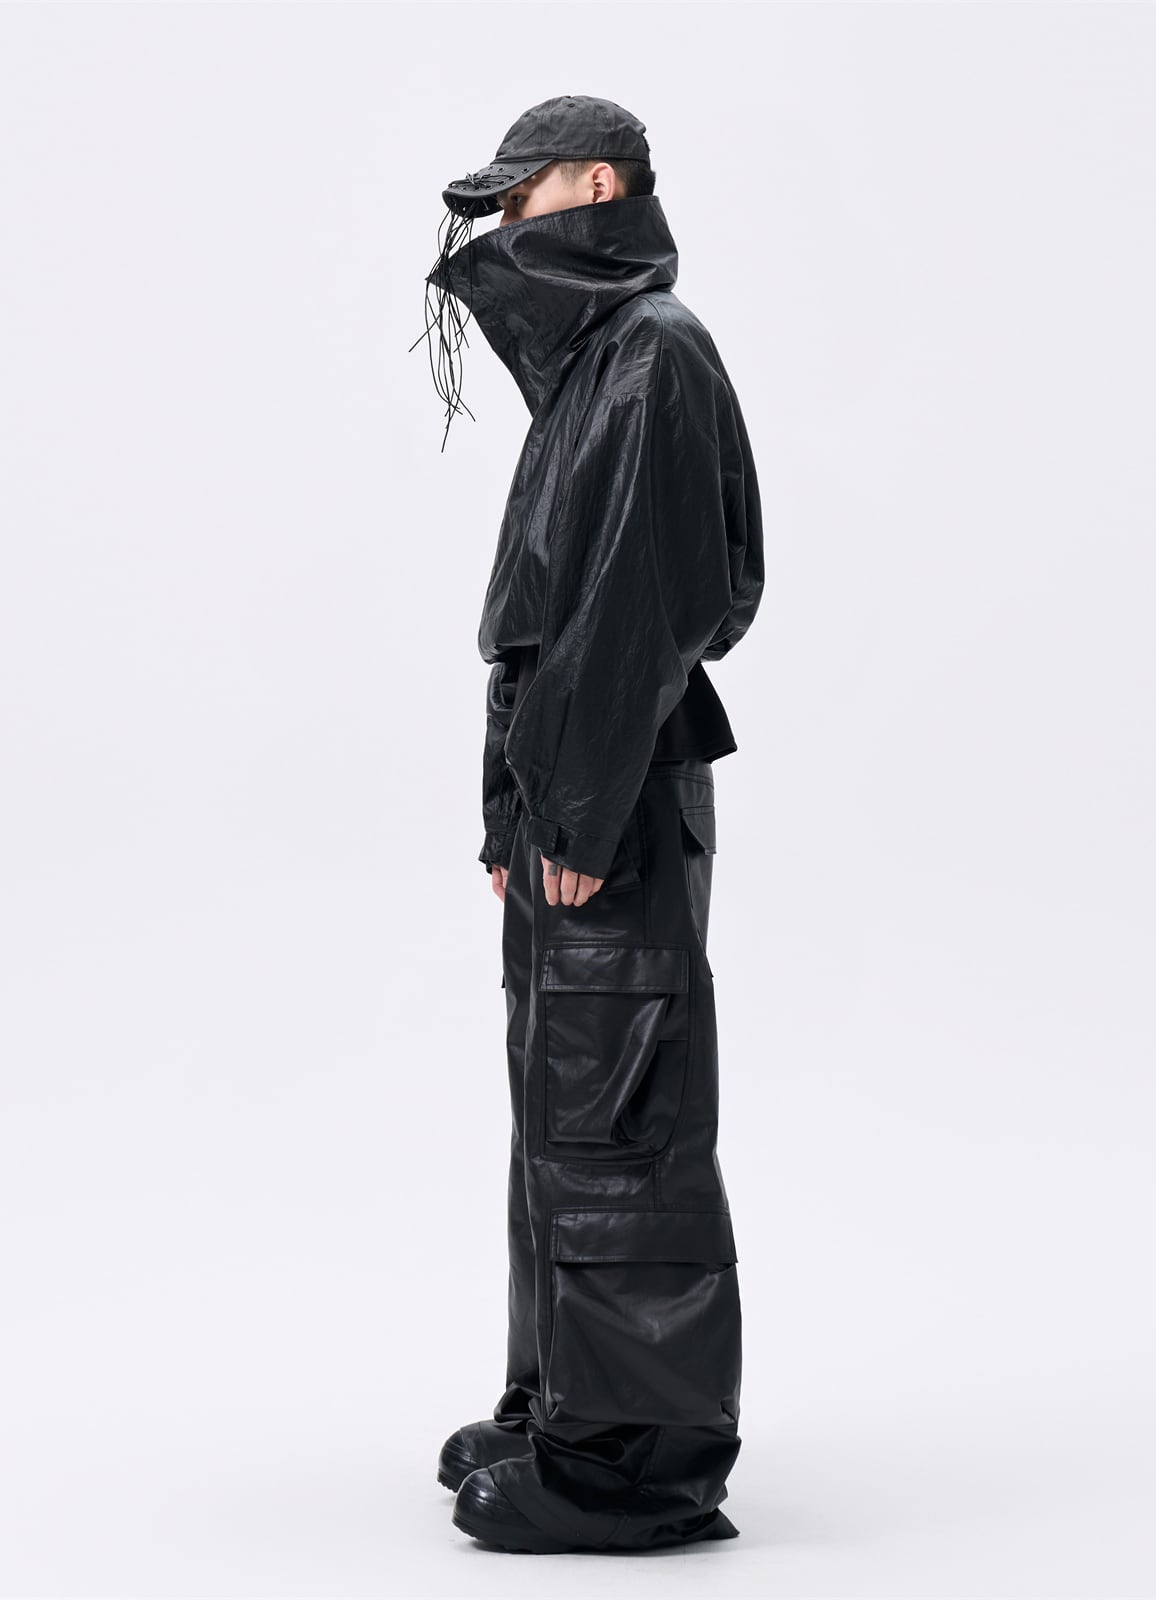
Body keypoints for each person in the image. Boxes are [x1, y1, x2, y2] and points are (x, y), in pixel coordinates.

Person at [416, 94, 765, 1554]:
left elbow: (644, 606)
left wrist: (574, 805)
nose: (505, 224)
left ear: (603, 186)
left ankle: (639, 1462)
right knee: (567, 1112)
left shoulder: (651, 357)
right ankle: (570, 1404)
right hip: (578, 798)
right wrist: (519, 811)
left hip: (605, 800)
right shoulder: (602, 364)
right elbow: (555, 617)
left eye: (527, 194)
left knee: (620, 1118)